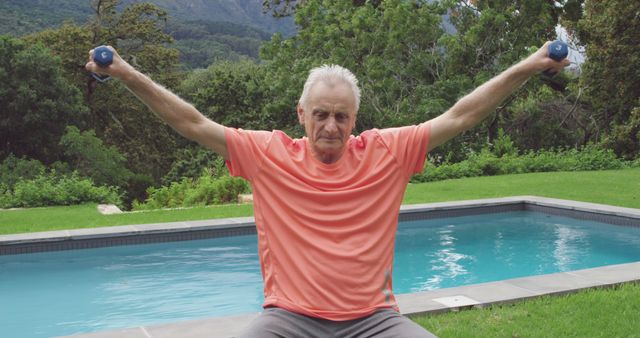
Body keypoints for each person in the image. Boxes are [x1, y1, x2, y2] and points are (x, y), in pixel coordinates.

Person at [85, 42, 568, 338]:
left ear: (355, 119)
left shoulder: (388, 152)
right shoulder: (267, 154)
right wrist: (124, 72)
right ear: (302, 115)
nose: (331, 126)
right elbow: (191, 121)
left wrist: (528, 65)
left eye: (341, 115)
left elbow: (462, 114)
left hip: (373, 320)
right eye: (321, 114)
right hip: (288, 319)